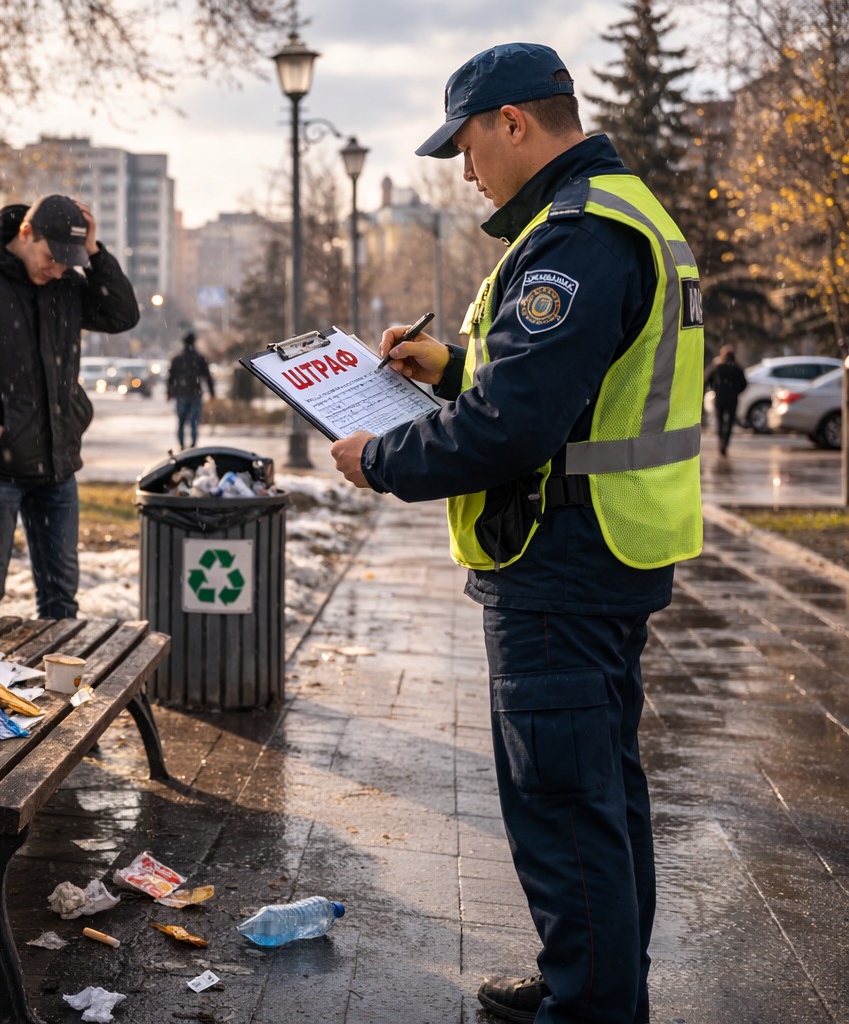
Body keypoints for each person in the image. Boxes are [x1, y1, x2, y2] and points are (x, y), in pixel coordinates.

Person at [328, 44, 704, 1024]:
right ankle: (591, 981)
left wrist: (380, 458)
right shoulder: (621, 216)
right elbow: (553, 387)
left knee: (565, 805)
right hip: (605, 550)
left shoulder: (576, 236)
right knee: (599, 795)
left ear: (513, 123)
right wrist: (444, 364)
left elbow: (515, 426)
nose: (464, 171)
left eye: (465, 145)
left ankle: (587, 1007)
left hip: (562, 560)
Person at [0, 194, 139, 619]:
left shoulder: (64, 283)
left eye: (66, 262)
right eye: (52, 257)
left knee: (60, 601)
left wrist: (92, 251)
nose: (56, 270)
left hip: (57, 464)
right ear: (26, 233)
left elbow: (122, 315)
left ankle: (57, 687)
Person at [166, 330, 215, 448]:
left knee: (181, 421)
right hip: (195, 393)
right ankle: (193, 444)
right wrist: (212, 392)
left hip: (181, 393)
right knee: (194, 421)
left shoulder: (177, 359)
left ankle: (182, 444)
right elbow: (207, 377)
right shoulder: (199, 358)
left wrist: (169, 392)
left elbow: (171, 378)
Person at [704, 346, 748, 457]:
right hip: (732, 398)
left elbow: (707, 379)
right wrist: (736, 390)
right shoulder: (737, 369)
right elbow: (744, 384)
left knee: (720, 420)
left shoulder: (717, 368)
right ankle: (725, 442)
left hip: (720, 396)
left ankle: (721, 440)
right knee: (729, 421)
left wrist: (715, 388)